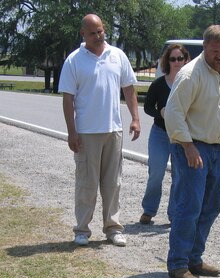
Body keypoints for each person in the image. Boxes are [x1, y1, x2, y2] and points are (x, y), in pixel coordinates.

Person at [164, 25, 220, 278]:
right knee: (189, 206)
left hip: (217, 148)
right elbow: (174, 112)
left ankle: (195, 258)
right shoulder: (190, 75)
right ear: (204, 48)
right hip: (190, 146)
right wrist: (187, 145)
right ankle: (178, 264)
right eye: (215, 51)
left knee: (211, 207)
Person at [59, 14, 141, 247]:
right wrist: (71, 132)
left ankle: (113, 228)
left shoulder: (117, 56)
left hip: (113, 130)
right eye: (93, 33)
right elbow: (67, 99)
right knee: (87, 182)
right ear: (83, 34)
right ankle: (82, 230)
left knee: (113, 182)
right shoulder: (74, 60)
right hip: (86, 132)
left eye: (101, 31)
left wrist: (135, 118)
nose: (98, 36)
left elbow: (129, 90)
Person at [139, 44, 191, 225]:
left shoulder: (189, 83)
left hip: (181, 136)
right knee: (156, 172)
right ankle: (149, 210)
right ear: (167, 61)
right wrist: (159, 112)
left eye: (180, 59)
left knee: (179, 175)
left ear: (186, 60)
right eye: (173, 59)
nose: (176, 62)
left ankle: (174, 213)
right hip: (160, 133)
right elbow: (147, 107)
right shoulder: (159, 84)